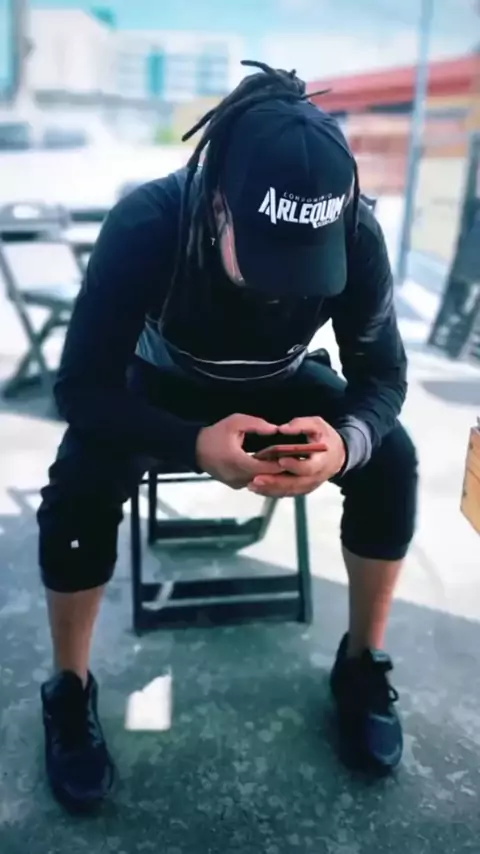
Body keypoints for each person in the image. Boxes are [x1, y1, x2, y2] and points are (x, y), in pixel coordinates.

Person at [37, 61, 418, 811]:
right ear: (216, 205)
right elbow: (81, 388)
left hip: (283, 381)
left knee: (392, 457)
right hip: (162, 388)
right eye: (270, 258)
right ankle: (69, 688)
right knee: (79, 480)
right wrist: (192, 443)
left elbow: (383, 378)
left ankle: (361, 662)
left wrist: (345, 443)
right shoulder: (149, 223)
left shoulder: (358, 231)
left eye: (309, 264)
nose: (288, 287)